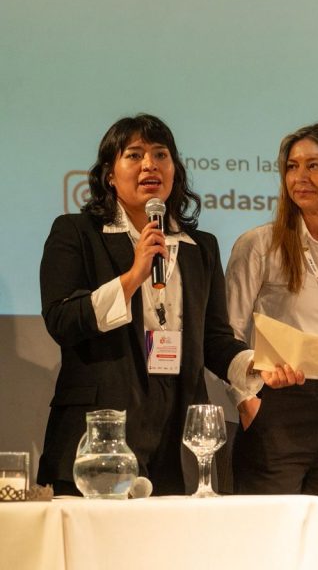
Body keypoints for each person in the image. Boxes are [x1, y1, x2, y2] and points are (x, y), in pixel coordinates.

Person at [37, 114, 287, 495]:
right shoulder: (77, 233)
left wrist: (254, 364)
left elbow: (215, 339)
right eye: (134, 155)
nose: (149, 165)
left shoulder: (200, 247)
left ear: (175, 170)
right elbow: (62, 319)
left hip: (178, 431)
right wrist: (133, 276)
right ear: (109, 174)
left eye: (160, 154)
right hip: (102, 432)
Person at [224, 123, 318, 563]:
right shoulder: (259, 245)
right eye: (292, 167)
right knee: (270, 552)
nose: (299, 177)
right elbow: (226, 334)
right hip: (279, 410)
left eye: (314, 166)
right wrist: (247, 403)